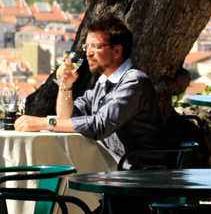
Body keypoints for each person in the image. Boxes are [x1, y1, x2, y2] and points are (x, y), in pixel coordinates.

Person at [14, 16, 164, 166]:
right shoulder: (104, 83)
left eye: (95, 46)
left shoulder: (134, 82)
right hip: (111, 169)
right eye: (87, 47)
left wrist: (45, 123)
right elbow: (68, 117)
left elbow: (99, 125)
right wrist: (65, 86)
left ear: (117, 51)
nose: (88, 53)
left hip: (138, 174)